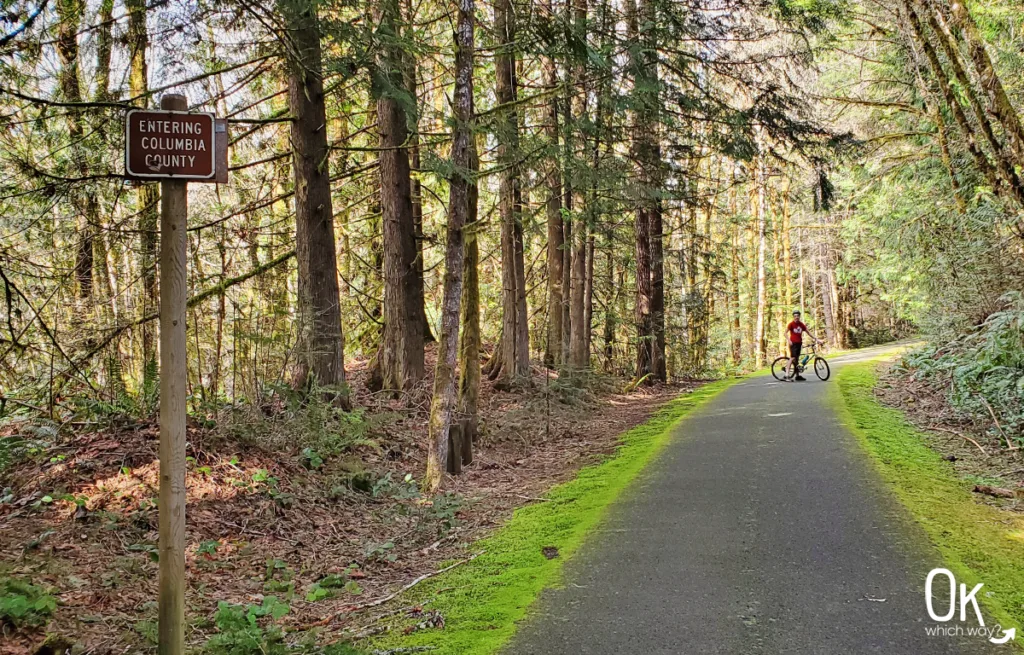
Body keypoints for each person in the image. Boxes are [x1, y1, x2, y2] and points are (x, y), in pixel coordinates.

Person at [785, 310, 819, 381]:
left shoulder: (801, 324)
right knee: (792, 358)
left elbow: (808, 332)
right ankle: (787, 375)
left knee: (796, 359)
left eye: (797, 316)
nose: (796, 317)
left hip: (799, 343)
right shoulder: (791, 324)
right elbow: (785, 333)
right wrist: (789, 340)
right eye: (795, 316)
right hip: (793, 343)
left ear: (799, 316)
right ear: (793, 317)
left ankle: (797, 376)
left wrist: (816, 339)